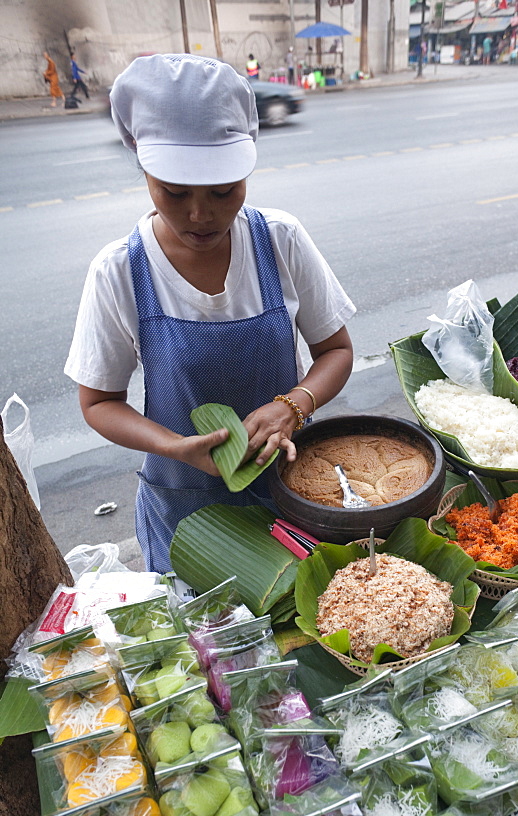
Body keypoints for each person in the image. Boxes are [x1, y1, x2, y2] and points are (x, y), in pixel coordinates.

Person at [64, 54, 355, 573]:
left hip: (289, 498)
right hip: (185, 514)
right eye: (174, 193)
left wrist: (294, 404)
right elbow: (99, 402)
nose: (200, 215)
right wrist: (177, 447)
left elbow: (335, 350)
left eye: (224, 192)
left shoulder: (280, 239)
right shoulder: (120, 271)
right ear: (143, 168)